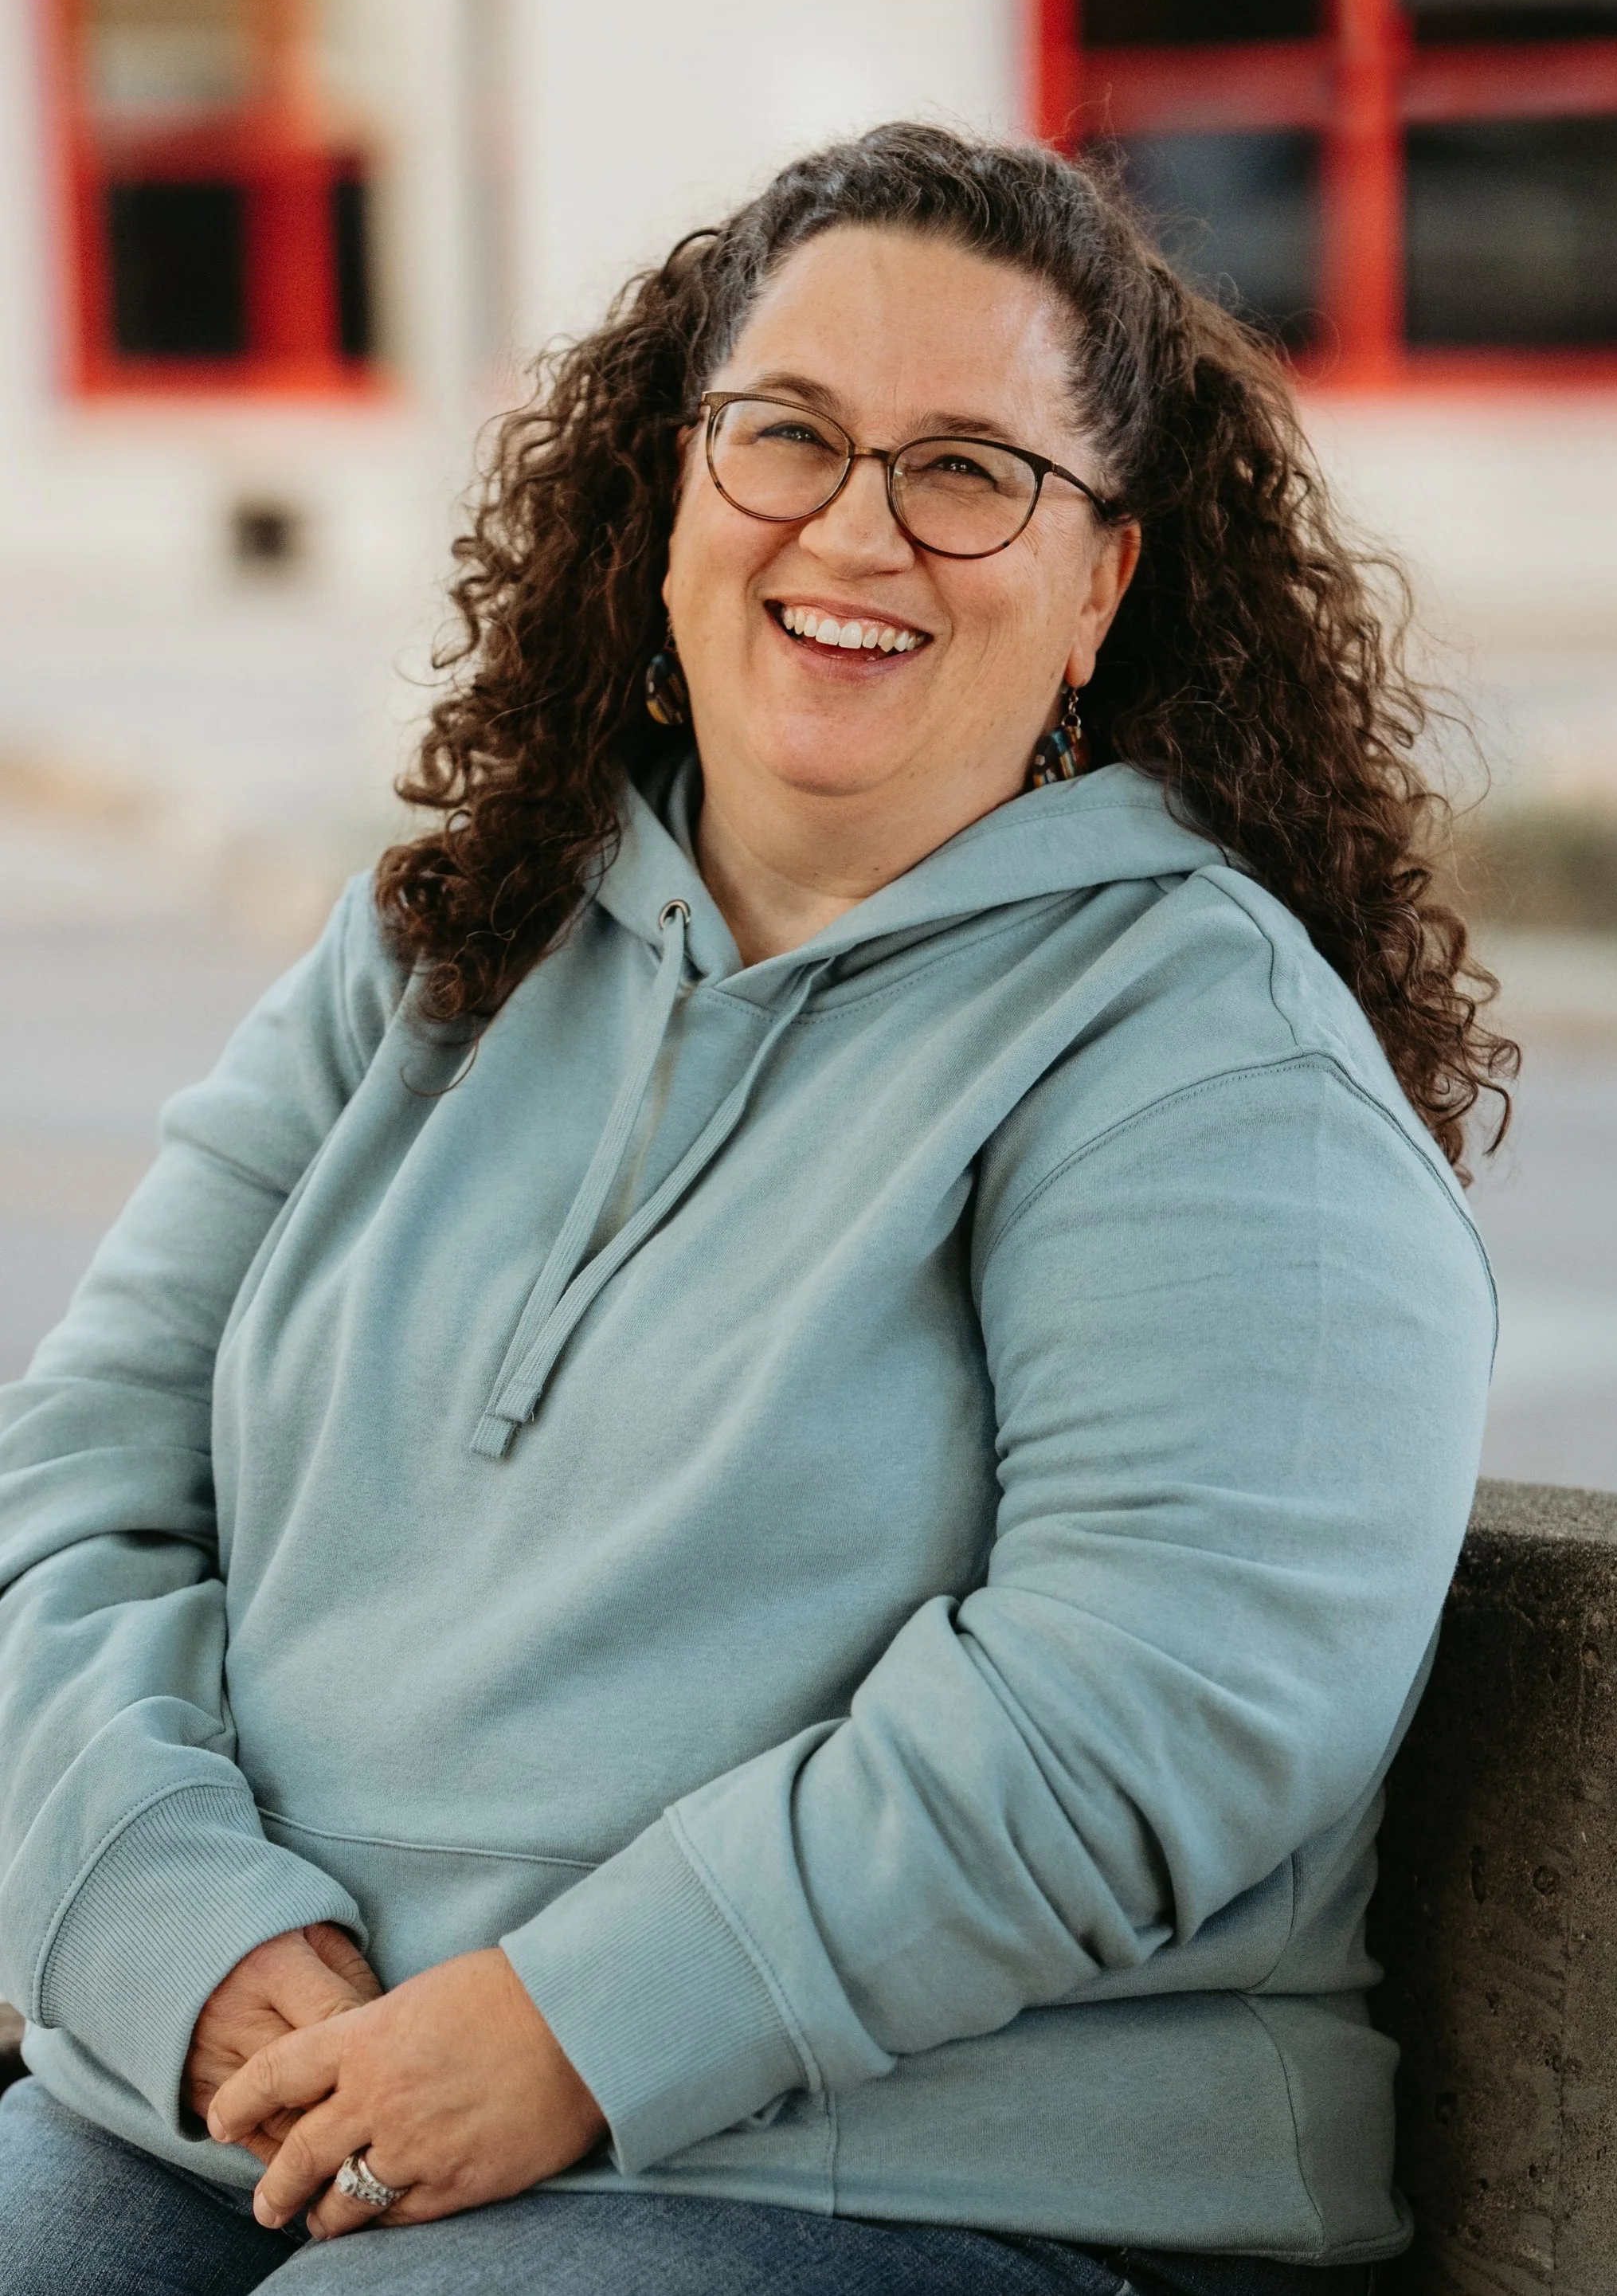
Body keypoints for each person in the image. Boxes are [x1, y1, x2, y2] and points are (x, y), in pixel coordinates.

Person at [0, 125, 1510, 2295]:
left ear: (1104, 578)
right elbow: (73, 1484)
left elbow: (1159, 1694)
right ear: (677, 485)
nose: (855, 527)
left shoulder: (1197, 1049)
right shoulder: (442, 947)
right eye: (787, 434)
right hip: (270, 2095)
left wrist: (570, 2032)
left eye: (969, 467)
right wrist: (165, 1903)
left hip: (940, 2180)